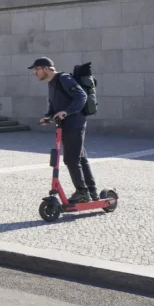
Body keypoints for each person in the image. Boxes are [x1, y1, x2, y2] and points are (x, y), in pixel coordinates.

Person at [29, 57, 98, 204]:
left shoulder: (64, 78)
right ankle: (92, 191)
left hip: (74, 123)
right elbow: (54, 105)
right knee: (80, 158)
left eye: (36, 69)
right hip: (66, 125)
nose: (35, 73)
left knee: (71, 159)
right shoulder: (52, 83)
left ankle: (82, 192)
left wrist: (67, 112)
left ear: (46, 68)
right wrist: (48, 117)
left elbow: (81, 96)